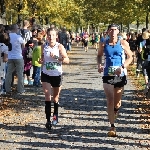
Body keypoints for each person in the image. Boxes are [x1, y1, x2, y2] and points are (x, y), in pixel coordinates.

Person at [97, 24, 133, 137]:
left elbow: (131, 56)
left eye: (115, 30)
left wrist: (122, 67)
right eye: (111, 30)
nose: (113, 32)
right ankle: (112, 126)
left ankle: (115, 110)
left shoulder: (123, 43)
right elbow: (99, 56)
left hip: (119, 74)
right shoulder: (103, 43)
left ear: (118, 31)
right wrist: (100, 65)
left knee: (117, 103)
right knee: (110, 100)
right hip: (107, 74)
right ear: (108, 32)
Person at [39, 27, 69, 130]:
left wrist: (56, 58)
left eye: (53, 35)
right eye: (49, 35)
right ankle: (48, 121)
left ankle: (55, 115)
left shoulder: (59, 46)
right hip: (46, 74)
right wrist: (41, 60)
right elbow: (42, 58)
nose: (50, 37)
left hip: (57, 74)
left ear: (56, 36)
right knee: (47, 96)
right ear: (46, 36)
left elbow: (67, 60)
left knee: (55, 97)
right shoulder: (44, 46)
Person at [5, 24, 25, 94]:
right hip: (18, 57)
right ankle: (20, 90)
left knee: (9, 73)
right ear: (15, 29)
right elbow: (23, 46)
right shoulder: (18, 37)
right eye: (18, 28)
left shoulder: (7, 36)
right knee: (20, 74)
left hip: (10, 57)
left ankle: (7, 89)